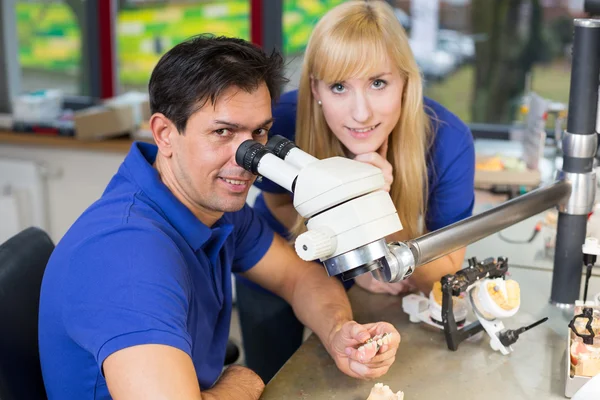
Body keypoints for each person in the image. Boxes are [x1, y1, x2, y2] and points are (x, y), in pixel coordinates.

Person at [38, 35, 401, 400]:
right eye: (222, 132)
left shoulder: (213, 207)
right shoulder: (127, 257)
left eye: (258, 132)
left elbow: (297, 275)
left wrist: (339, 331)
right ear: (165, 133)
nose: (248, 158)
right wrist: (243, 382)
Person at [236, 0, 475, 383]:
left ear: (406, 82)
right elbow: (276, 199)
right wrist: (344, 245)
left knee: (363, 374)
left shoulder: (448, 140)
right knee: (273, 379)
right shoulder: (283, 118)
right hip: (283, 259)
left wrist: (375, 220)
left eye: (378, 83)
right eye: (339, 87)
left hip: (382, 268)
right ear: (315, 88)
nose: (360, 113)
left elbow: (445, 278)